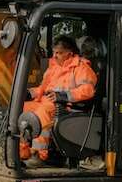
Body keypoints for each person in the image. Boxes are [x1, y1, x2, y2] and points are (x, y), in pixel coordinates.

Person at [18, 35, 97, 166]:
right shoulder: (53, 67)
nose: (55, 56)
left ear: (69, 53)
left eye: (59, 53)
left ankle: (39, 154)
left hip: (67, 106)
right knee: (22, 109)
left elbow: (88, 90)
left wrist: (64, 96)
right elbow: (43, 88)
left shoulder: (81, 68)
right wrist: (28, 93)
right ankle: (22, 152)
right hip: (47, 101)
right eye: (54, 52)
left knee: (41, 113)